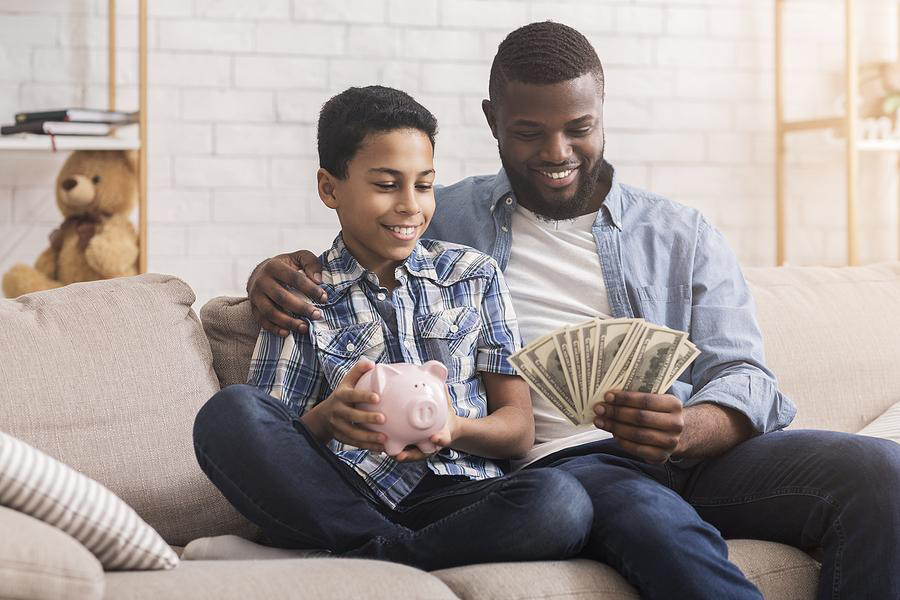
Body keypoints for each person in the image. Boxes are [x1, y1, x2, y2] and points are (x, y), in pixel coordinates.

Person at [246, 22, 900, 600]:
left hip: (700, 453)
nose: (557, 153)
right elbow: (355, 239)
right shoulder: (442, 216)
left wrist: (689, 426)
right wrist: (270, 273)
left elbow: (749, 376)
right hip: (568, 461)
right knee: (655, 523)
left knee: (881, 474)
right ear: (492, 119)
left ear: (601, 112)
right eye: (529, 132)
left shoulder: (682, 233)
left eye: (579, 129)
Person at [192, 85, 593, 572]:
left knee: (562, 501)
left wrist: (454, 428)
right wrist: (327, 419)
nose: (410, 205)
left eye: (423, 185)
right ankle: (381, 548)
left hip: (460, 499)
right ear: (329, 188)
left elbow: (518, 430)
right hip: (345, 494)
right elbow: (272, 438)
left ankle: (361, 555)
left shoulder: (472, 275)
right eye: (386, 185)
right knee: (228, 412)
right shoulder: (302, 292)